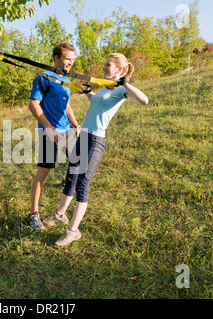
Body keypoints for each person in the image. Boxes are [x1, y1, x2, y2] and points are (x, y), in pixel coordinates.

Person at [42, 53, 149, 246]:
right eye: (105, 65)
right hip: (83, 136)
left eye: (108, 65)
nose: (104, 68)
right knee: (71, 176)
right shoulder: (105, 88)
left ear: (120, 69)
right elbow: (97, 104)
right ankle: (60, 215)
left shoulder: (120, 90)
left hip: (95, 140)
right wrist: (88, 93)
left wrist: (125, 83)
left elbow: (144, 101)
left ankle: (72, 231)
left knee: (82, 183)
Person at [27, 42, 81, 231]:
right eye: (67, 59)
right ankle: (33, 215)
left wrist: (75, 124)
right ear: (56, 58)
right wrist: (49, 128)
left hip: (67, 131)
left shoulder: (65, 79)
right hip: (49, 132)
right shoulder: (44, 77)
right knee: (43, 173)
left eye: (72, 60)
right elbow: (33, 104)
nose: (70, 63)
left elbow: (66, 105)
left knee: (79, 165)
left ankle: (61, 211)